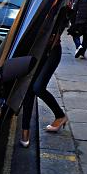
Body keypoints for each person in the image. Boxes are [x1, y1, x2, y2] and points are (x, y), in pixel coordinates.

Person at [20, 10, 69, 147]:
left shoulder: (58, 5)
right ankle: (25, 131)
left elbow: (65, 20)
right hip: (34, 51)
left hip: (51, 52)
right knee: (29, 90)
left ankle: (60, 115)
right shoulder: (36, 3)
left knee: (38, 87)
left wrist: (56, 33)